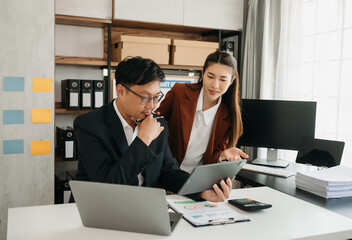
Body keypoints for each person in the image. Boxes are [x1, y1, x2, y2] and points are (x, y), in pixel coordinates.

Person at [73, 56, 232, 202]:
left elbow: (169, 173)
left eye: (156, 97)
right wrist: (143, 140)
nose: (152, 106)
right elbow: (107, 185)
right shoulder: (89, 125)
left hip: (142, 208)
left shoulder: (158, 125)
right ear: (120, 91)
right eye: (145, 97)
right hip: (98, 209)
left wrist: (202, 191)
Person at [156, 50, 249, 174]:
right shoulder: (179, 92)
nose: (215, 85)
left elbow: (211, 159)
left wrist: (223, 155)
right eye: (210, 76)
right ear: (203, 73)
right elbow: (155, 123)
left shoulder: (228, 116)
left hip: (195, 181)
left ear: (231, 81)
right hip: (164, 173)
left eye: (223, 80)